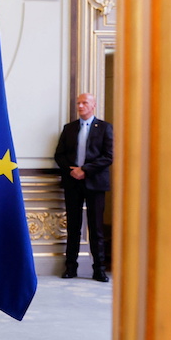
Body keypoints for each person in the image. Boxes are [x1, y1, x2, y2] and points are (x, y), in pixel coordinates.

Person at [54, 92, 113, 282]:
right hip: (72, 183)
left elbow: (108, 156)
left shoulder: (105, 128)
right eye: (78, 103)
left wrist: (85, 170)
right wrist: (72, 171)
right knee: (73, 227)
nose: (80, 106)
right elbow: (59, 154)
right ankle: (71, 267)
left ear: (93, 105)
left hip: (95, 184)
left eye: (84, 103)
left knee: (96, 228)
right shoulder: (69, 128)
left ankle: (99, 270)